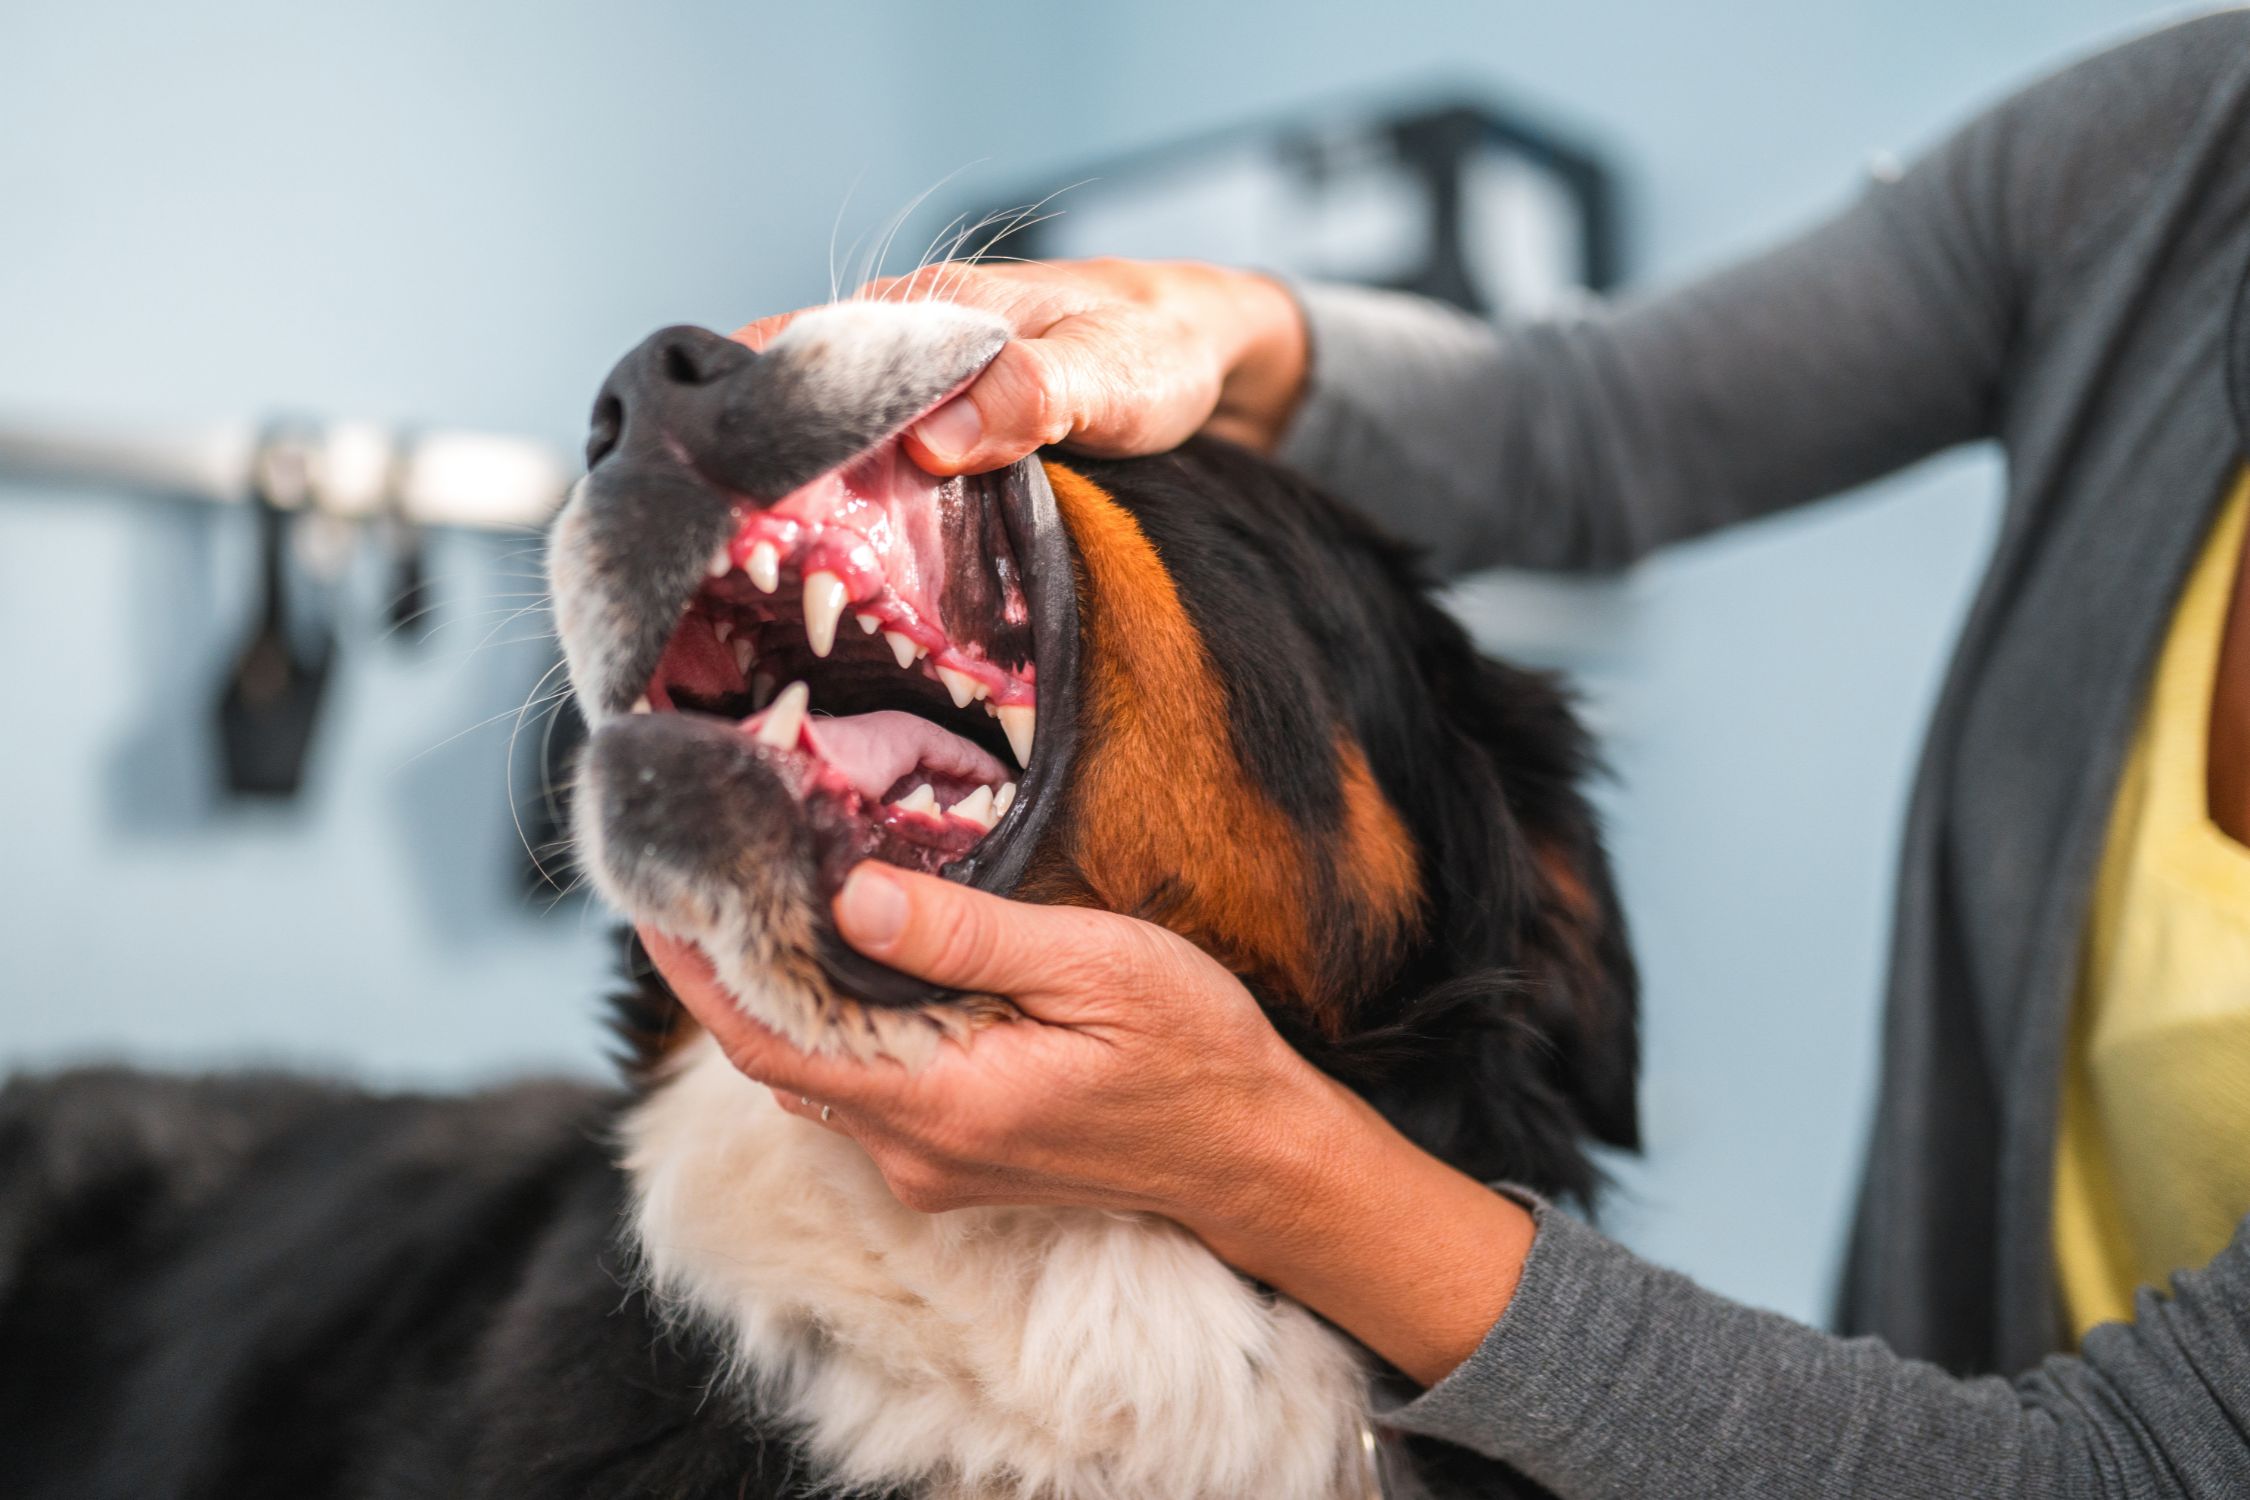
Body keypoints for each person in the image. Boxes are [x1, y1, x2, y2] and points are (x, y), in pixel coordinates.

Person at [644, 13, 2250, 1495]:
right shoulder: (2190, 141)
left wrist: (1266, 1163)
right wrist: (1193, 323)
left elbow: (2119, 1474)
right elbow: (1589, 426)